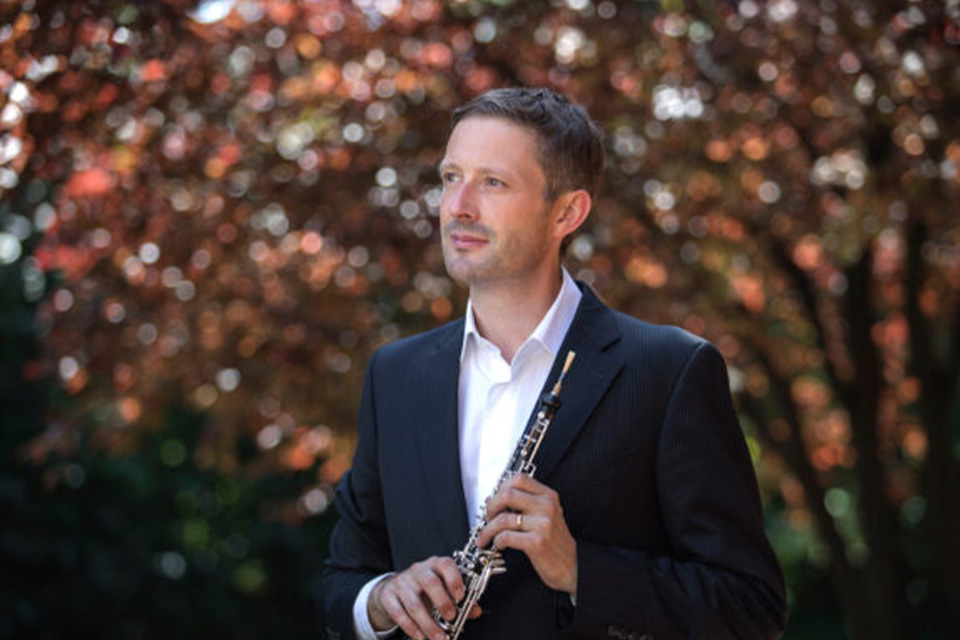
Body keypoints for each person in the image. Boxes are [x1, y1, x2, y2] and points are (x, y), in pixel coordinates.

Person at [317, 87, 787, 640]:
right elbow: (342, 580)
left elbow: (750, 606)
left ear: (568, 211)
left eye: (492, 182)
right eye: (450, 177)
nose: (458, 205)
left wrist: (579, 569)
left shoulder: (668, 371)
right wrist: (380, 601)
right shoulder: (395, 375)